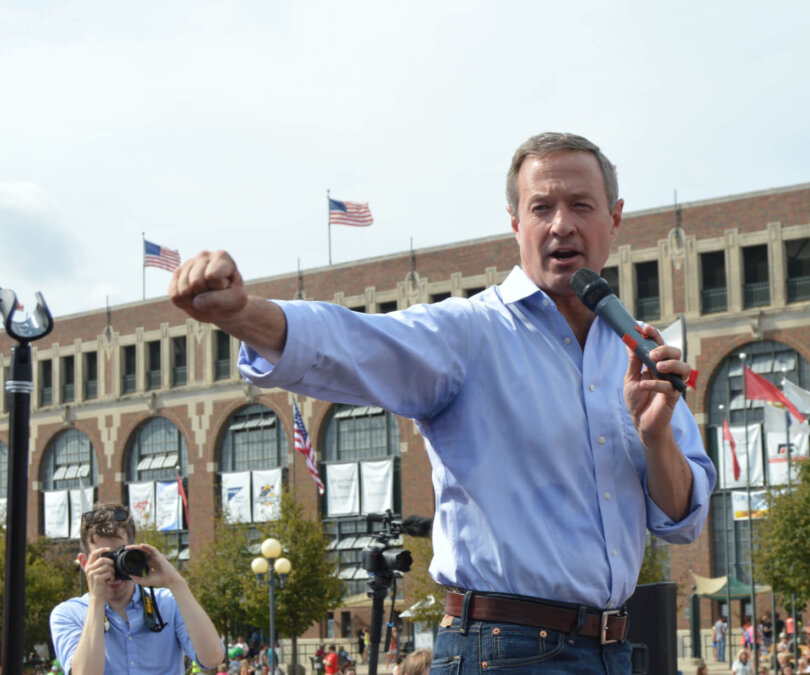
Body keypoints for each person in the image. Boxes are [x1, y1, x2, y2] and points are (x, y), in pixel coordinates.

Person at [169, 131, 715, 673]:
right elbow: (355, 343)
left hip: (614, 650)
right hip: (504, 651)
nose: (560, 224)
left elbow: (681, 522)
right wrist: (242, 313)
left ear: (614, 218)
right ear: (515, 223)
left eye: (580, 205)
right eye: (541, 207)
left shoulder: (639, 352)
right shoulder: (471, 334)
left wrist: (655, 437)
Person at [49, 503, 225, 675]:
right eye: (103, 559)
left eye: (120, 556)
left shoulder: (168, 603)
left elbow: (213, 659)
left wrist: (176, 582)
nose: (113, 570)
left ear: (135, 553)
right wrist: (96, 600)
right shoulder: (68, 614)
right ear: (84, 563)